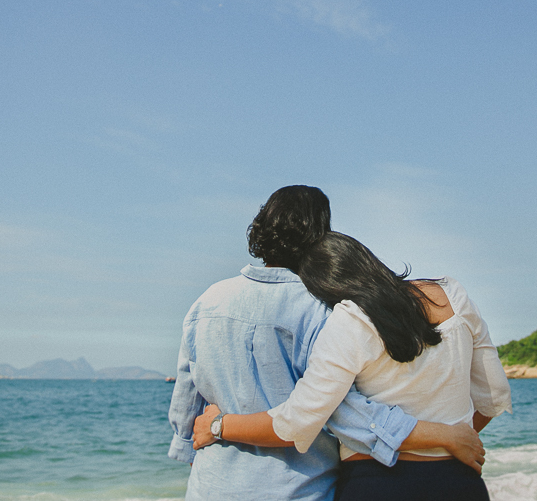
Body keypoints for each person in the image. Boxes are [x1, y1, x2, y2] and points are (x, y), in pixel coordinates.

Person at [168, 186, 485, 501]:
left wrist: (204, 438)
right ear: (320, 235)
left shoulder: (204, 303)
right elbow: (346, 411)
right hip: (299, 489)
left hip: (209, 486)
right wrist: (444, 435)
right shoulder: (322, 310)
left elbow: (186, 403)